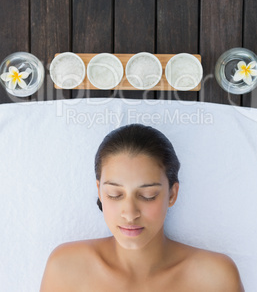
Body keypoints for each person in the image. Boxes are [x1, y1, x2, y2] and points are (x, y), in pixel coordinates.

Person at [40, 124, 244, 292]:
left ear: (172, 194)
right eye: (115, 194)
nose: (129, 214)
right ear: (100, 191)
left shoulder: (216, 278)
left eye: (148, 196)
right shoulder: (66, 268)